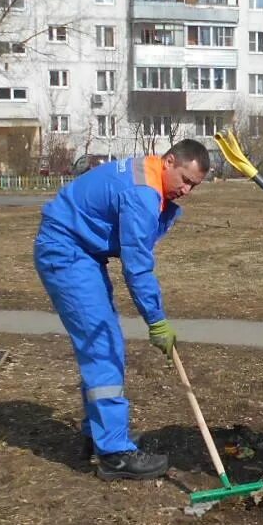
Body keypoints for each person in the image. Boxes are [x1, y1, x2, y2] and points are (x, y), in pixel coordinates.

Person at [34, 141, 212, 481]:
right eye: (185, 180)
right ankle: (114, 454)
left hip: (80, 251)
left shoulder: (146, 175)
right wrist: (156, 321)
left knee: (103, 341)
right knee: (103, 344)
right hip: (67, 252)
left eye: (194, 186)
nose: (186, 191)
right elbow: (137, 267)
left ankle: (97, 436)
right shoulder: (142, 194)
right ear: (169, 161)